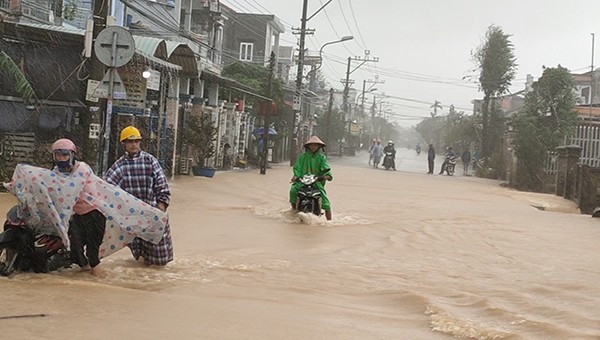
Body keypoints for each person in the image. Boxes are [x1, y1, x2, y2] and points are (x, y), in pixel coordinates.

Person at [104, 126, 173, 266]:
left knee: (159, 259)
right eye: (130, 142)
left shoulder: (150, 161)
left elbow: (162, 185)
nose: (133, 144)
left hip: (153, 214)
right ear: (124, 144)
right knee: (140, 256)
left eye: (136, 141)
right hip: (133, 218)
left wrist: (160, 209)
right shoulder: (119, 166)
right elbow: (107, 188)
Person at [52, 138, 106, 277]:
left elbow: (70, 189)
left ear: (72, 155)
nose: (62, 158)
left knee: (92, 255)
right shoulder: (56, 172)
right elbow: (48, 186)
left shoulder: (82, 168)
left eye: (65, 155)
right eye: (58, 155)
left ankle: (98, 282)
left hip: (95, 214)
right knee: (75, 252)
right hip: (78, 216)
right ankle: (84, 278)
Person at [289, 136, 333, 220]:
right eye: (311, 145)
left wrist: (325, 176)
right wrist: (295, 176)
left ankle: (329, 221)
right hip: (302, 181)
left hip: (316, 182)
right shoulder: (303, 157)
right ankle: (294, 209)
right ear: (308, 146)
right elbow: (297, 168)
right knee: (293, 191)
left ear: (319, 146)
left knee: (326, 203)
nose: (313, 147)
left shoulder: (322, 158)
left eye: (315, 145)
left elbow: (327, 169)